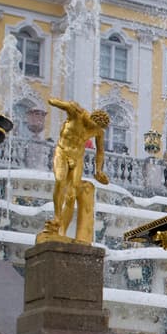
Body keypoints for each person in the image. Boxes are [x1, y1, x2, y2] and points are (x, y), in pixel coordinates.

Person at [37, 97, 110, 244]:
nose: (93, 130)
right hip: (62, 152)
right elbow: (51, 101)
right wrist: (66, 105)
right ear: (91, 118)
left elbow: (100, 152)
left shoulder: (98, 131)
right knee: (60, 180)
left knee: (71, 195)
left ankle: (62, 231)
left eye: (97, 128)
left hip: (77, 158)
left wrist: (98, 170)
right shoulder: (77, 114)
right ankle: (57, 218)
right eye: (93, 126)